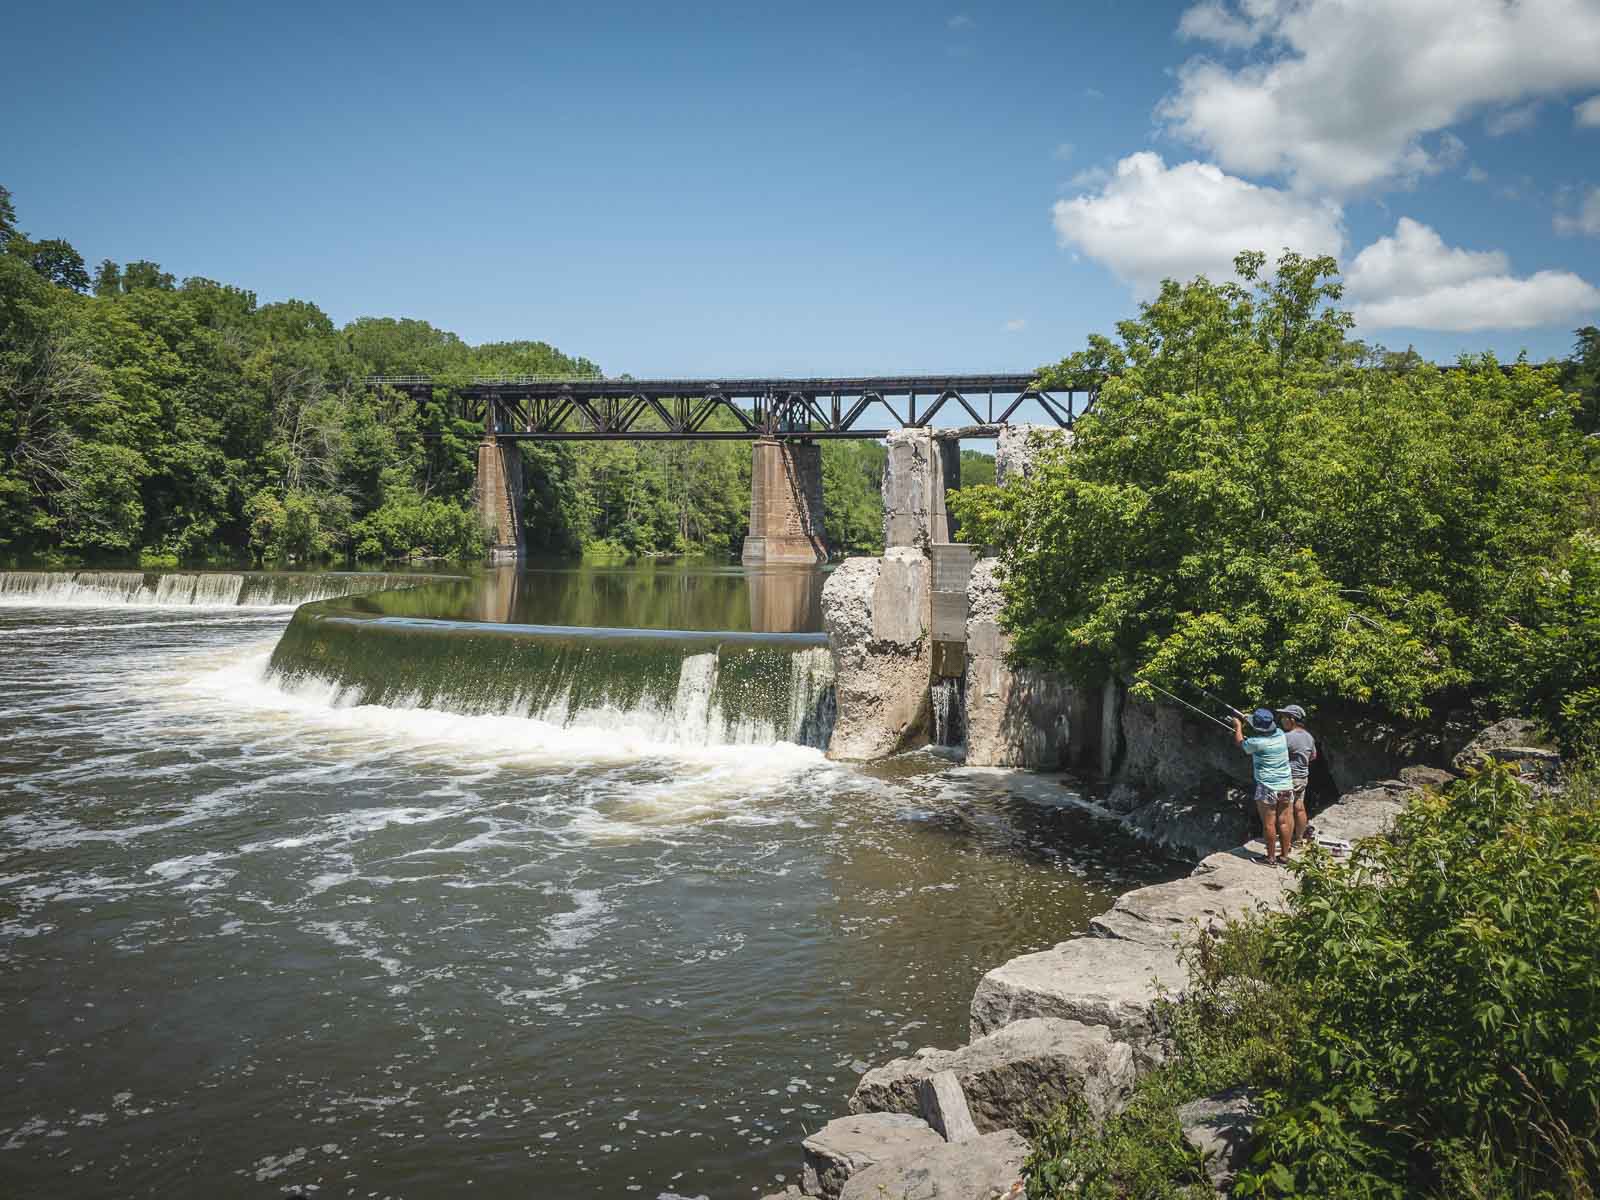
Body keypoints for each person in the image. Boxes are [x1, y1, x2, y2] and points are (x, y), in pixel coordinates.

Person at [1234, 707, 1294, 866]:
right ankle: (1285, 856)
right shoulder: (1281, 734)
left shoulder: (1256, 743)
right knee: (1284, 821)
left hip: (1267, 786)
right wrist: (1249, 719)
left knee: (1268, 823)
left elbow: (1241, 743)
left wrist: (1238, 726)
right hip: (1286, 786)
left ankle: (1270, 858)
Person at [1276, 705, 1317, 850]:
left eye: (1284, 717)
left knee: (1285, 811)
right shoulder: (1308, 736)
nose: (1281, 720)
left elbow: (1274, 753)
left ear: (1292, 719)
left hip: (1289, 778)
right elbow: (1313, 756)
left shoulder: (1287, 737)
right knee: (1299, 807)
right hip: (1302, 777)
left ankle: (1285, 844)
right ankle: (1299, 840)